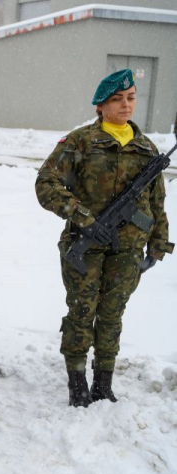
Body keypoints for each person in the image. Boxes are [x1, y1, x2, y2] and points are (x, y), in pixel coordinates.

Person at [35, 68, 172, 408]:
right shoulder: (80, 142)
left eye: (131, 98)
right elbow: (46, 184)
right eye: (117, 99)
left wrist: (158, 244)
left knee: (112, 315)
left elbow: (156, 202)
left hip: (128, 250)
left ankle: (104, 383)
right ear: (100, 105)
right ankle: (77, 383)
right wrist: (83, 217)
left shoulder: (146, 148)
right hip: (85, 247)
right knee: (82, 313)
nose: (126, 105)